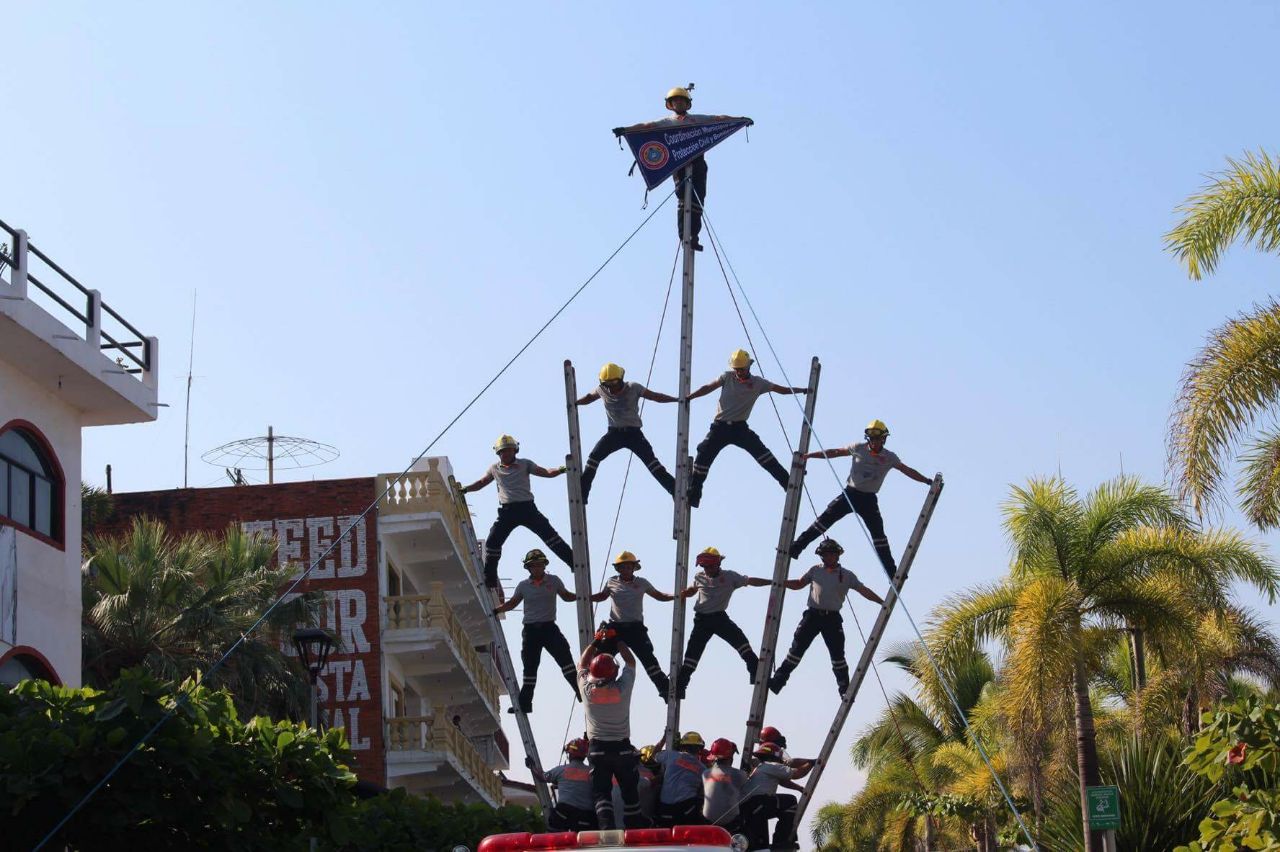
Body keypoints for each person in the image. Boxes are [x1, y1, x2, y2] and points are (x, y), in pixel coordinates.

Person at [789, 419, 932, 579]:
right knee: (822, 522)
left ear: (883, 439)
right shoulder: (858, 448)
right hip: (850, 494)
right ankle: (796, 547)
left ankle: (892, 572)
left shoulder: (890, 457)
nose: (874, 442)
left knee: (879, 536)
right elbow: (835, 452)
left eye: (877, 439)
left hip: (869, 500)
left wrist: (926, 481)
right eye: (871, 439)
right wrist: (810, 456)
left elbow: (907, 470)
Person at [685, 350, 807, 508]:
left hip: (739, 428)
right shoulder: (726, 377)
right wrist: (690, 397)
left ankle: (787, 483)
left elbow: (781, 390)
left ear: (748, 367)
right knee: (703, 456)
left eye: (741, 369)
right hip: (720, 427)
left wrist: (801, 390)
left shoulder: (758, 383)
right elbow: (708, 387)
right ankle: (694, 495)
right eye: (736, 369)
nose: (738, 372)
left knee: (763, 455)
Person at [768, 539, 883, 697]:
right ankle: (778, 681)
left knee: (837, 656)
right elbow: (799, 584)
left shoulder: (847, 575)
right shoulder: (815, 570)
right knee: (795, 651)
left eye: (832, 554)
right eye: (826, 555)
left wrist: (881, 602)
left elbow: (864, 590)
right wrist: (780, 583)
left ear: (837, 555)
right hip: (813, 615)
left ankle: (844, 689)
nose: (829, 557)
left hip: (832, 618)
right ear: (821, 556)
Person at [459, 434, 573, 594]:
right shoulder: (495, 468)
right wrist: (466, 489)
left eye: (509, 450)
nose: (506, 454)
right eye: (503, 451)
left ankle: (573, 562)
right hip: (507, 511)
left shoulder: (525, 464)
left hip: (527, 509)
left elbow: (545, 472)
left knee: (551, 536)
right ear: (498, 453)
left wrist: (560, 470)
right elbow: (482, 482)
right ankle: (490, 579)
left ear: (515, 451)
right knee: (492, 543)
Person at [493, 548, 581, 714]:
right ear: (529, 568)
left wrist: (581, 596)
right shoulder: (523, 586)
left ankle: (580, 691)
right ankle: (525, 704)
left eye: (539, 565)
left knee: (565, 660)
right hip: (531, 630)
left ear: (544, 565)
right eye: (533, 565)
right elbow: (512, 603)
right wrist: (495, 610)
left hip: (549, 628)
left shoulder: (553, 581)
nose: (537, 568)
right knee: (530, 669)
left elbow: (566, 596)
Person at [575, 362, 678, 503]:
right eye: (607, 385)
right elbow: (589, 397)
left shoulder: (633, 387)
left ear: (621, 380)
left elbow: (655, 396)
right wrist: (574, 402)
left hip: (633, 434)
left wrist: (677, 400)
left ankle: (674, 488)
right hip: (614, 434)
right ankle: (582, 492)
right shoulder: (602, 389)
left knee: (652, 463)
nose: (611, 389)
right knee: (593, 458)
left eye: (614, 385)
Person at [676, 546, 770, 698]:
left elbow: (750, 581)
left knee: (741, 643)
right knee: (692, 654)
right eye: (705, 567)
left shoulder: (730, 577)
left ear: (718, 564)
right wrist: (683, 594)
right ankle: (680, 687)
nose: (707, 570)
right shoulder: (699, 576)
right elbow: (693, 590)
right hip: (702, 620)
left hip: (719, 618)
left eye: (710, 566)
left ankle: (755, 672)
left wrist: (773, 582)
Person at [579, 635, 646, 829]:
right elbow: (631, 661)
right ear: (613, 673)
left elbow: (582, 664)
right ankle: (634, 830)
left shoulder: (587, 690)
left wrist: (596, 641)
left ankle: (606, 831)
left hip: (598, 749)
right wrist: (617, 639)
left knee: (601, 793)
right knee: (629, 791)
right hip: (622, 749)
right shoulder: (622, 689)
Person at [590, 551, 675, 698]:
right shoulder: (612, 581)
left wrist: (676, 596)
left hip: (635, 628)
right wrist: (585, 597)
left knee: (648, 658)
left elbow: (659, 596)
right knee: (600, 657)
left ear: (633, 568)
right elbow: (602, 596)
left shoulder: (641, 583)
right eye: (622, 567)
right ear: (618, 569)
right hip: (615, 628)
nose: (626, 570)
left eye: (628, 567)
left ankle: (665, 690)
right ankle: (595, 688)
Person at [739, 742, 812, 851]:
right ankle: (781, 840)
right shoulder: (772, 766)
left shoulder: (761, 768)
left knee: (760, 846)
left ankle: (770, 844)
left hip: (748, 810)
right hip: (757, 804)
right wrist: (812, 763)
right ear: (775, 756)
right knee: (790, 801)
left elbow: (783, 781)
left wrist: (799, 788)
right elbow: (797, 774)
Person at [649, 732, 709, 827]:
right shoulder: (703, 769)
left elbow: (654, 755)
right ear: (700, 749)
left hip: (664, 811)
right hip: (686, 812)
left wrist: (664, 738)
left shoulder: (670, 755)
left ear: (683, 746)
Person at [542, 738, 597, 832]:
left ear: (570, 754)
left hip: (563, 813)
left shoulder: (562, 770)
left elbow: (542, 777)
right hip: (586, 817)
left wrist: (532, 766)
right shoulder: (592, 772)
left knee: (554, 835)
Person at [702, 738, 748, 831]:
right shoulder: (740, 774)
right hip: (730, 823)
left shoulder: (705, 773)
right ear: (730, 757)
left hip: (707, 821)